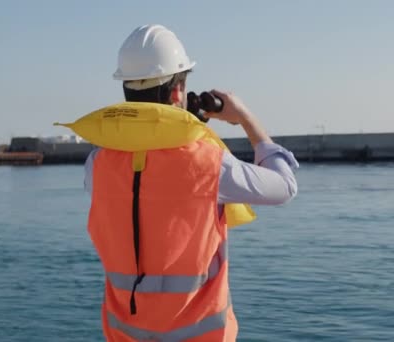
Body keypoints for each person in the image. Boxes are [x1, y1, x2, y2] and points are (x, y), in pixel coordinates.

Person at [83, 24, 298, 341]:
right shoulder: (208, 163)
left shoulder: (97, 164)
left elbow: (147, 178)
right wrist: (246, 119)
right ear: (176, 92)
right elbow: (284, 186)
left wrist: (183, 128)